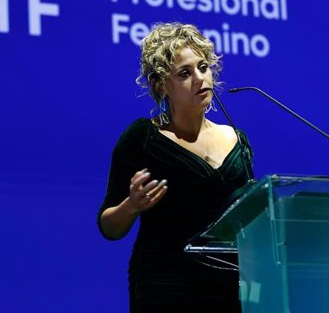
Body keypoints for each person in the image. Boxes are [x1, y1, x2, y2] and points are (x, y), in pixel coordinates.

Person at [98, 23, 254, 312]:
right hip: (167, 288)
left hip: (232, 287)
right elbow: (109, 226)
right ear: (161, 85)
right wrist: (131, 205)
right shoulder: (143, 138)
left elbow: (251, 217)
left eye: (204, 67)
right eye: (185, 73)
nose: (199, 78)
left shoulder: (236, 138)